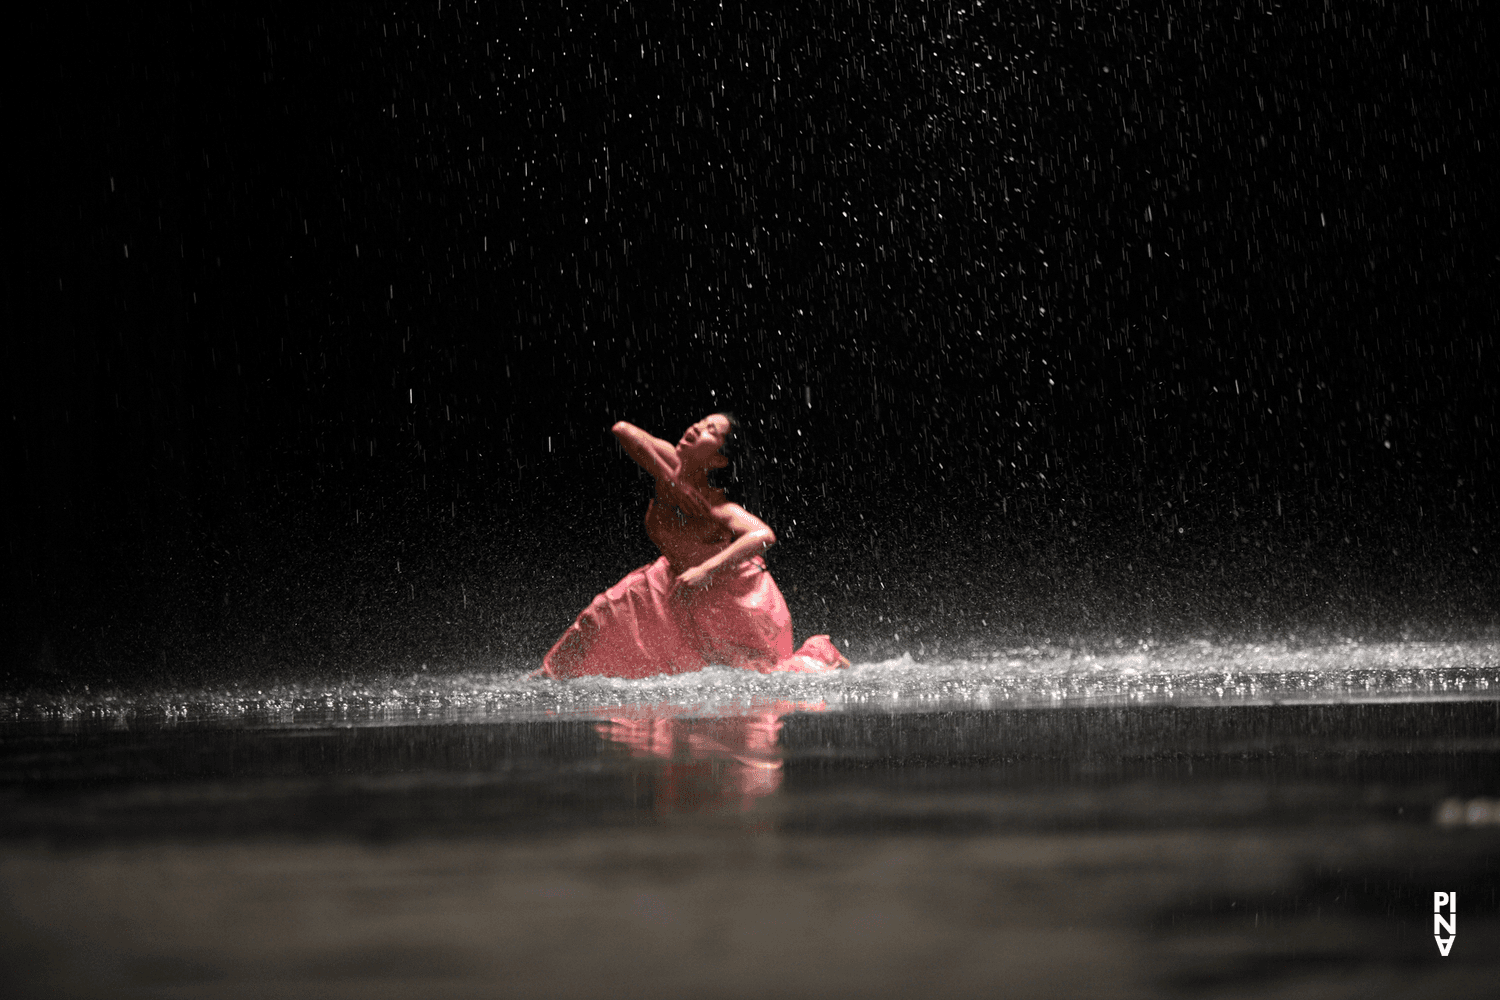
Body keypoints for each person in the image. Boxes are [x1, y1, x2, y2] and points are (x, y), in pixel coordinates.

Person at [533, 413, 849, 679]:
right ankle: (549, 677)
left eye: (712, 431)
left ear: (717, 459)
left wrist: (704, 570)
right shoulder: (668, 463)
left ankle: (821, 654)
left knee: (760, 674)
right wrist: (671, 481)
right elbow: (622, 430)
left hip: (730, 592)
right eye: (701, 422)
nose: (698, 428)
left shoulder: (717, 506)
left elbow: (763, 535)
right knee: (602, 612)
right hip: (675, 578)